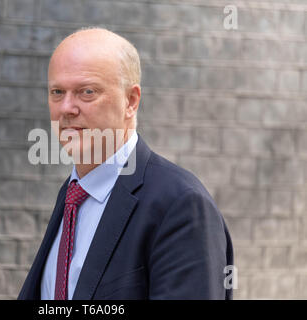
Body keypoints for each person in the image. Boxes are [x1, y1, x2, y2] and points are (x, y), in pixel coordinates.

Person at [18, 27, 233, 300]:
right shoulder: (73, 194)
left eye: (86, 92)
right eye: (57, 92)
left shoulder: (181, 205)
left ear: (130, 101)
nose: (66, 108)